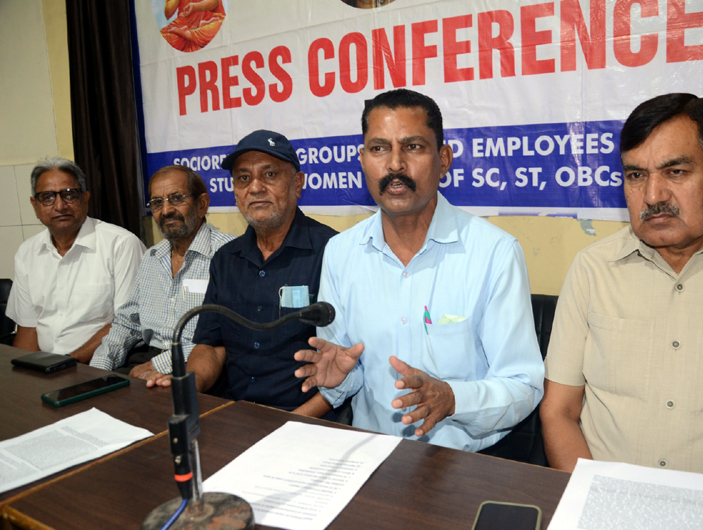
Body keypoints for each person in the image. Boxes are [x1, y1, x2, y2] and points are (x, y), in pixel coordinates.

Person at [540, 93, 703, 514]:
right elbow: (559, 412)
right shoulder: (592, 270)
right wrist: (598, 510)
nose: (653, 195)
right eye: (636, 175)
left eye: (675, 172)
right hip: (607, 511)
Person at [294, 88, 544, 451]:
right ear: (363, 160)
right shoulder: (341, 252)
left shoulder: (494, 252)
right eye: (379, 149)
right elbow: (349, 371)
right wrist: (339, 380)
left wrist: (453, 399)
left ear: (444, 159)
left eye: (412, 147)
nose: (395, 165)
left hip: (464, 462)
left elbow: (524, 384)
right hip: (371, 454)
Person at [174, 130, 337, 418]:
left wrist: (291, 423)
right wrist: (189, 389)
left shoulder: (334, 252)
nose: (256, 187)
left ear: (298, 184)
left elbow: (347, 362)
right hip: (234, 413)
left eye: (270, 175)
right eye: (243, 178)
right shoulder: (225, 259)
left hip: (306, 418)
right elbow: (211, 346)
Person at [89, 165, 235, 380]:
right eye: (157, 203)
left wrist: (160, 364)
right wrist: (99, 366)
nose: (166, 211)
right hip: (145, 358)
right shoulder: (152, 257)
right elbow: (127, 323)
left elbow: (228, 334)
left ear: (202, 204)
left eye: (176, 198)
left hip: (201, 365)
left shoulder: (229, 254)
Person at [6, 157, 145, 361]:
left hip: (101, 365)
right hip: (47, 367)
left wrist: (65, 364)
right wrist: (26, 373)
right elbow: (28, 330)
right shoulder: (27, 252)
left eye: (69, 195)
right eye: (47, 197)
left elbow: (127, 325)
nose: (60, 206)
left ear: (85, 199)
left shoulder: (121, 245)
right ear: (35, 205)